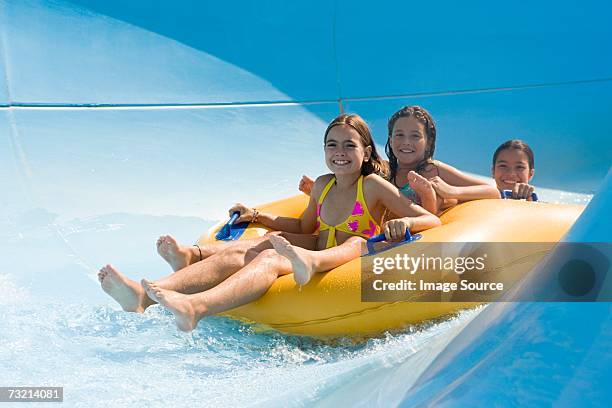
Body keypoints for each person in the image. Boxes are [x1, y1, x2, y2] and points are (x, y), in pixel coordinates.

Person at [98, 113, 440, 331]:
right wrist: (258, 217)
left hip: (345, 262)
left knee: (269, 258)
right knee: (245, 251)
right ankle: (143, 295)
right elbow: (306, 228)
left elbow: (429, 220)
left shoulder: (373, 186)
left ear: (366, 152)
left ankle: (195, 307)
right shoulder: (323, 185)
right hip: (314, 249)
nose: (339, 151)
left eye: (349, 145)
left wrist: (399, 227)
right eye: (331, 144)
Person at [299, 106, 500, 215]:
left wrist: (451, 191)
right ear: (390, 139)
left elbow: (492, 191)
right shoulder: (384, 171)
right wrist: (317, 194)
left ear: (428, 142)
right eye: (399, 135)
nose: (406, 142)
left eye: (415, 136)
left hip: (424, 233)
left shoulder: (433, 170)